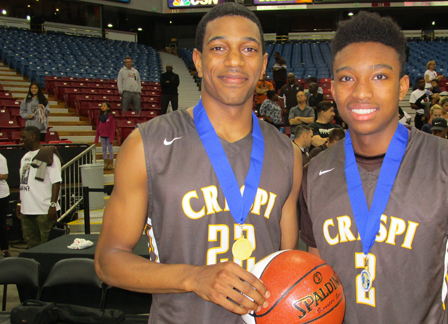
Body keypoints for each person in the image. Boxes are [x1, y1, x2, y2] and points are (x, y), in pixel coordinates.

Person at [94, 4, 301, 323]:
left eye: (248, 48)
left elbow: (285, 268)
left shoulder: (288, 154)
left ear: (262, 66)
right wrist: (193, 277)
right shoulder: (146, 145)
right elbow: (108, 261)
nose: (234, 60)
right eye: (219, 47)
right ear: (198, 61)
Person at [299, 12, 448, 324]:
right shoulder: (312, 175)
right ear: (333, 89)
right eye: (347, 78)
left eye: (379, 76)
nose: (361, 92)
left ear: (403, 86)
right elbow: (318, 297)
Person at [17, 126, 62, 249]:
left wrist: (53, 205)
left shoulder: (49, 155)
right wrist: (20, 203)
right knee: (32, 245)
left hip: (44, 210)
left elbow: (56, 182)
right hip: (27, 210)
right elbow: (23, 182)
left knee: (48, 246)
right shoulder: (25, 157)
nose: (21, 140)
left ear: (33, 137)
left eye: (24, 137)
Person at [94, 102, 116, 170]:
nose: (103, 107)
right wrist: (96, 138)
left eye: (104, 106)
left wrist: (111, 138)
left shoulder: (111, 117)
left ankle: (111, 162)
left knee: (110, 149)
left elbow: (113, 128)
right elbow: (98, 127)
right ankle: (105, 162)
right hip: (102, 135)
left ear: (108, 108)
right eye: (102, 106)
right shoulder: (99, 117)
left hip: (109, 136)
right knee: (104, 149)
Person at [0, 153, 9, 258]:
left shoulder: (1, 158)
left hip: (1, 195)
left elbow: (4, 175)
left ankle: (5, 249)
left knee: (1, 224)